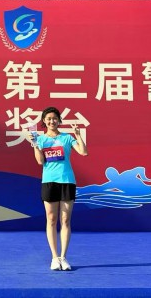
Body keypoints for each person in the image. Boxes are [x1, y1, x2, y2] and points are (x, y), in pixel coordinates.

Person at [27, 106, 87, 271]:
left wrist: (78, 135)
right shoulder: (40, 139)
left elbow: (83, 152)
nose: (52, 121)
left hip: (67, 181)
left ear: (59, 120)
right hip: (49, 182)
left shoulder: (67, 138)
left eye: (54, 118)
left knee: (65, 220)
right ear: (44, 122)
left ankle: (63, 257)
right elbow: (40, 161)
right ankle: (54, 257)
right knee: (51, 219)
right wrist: (35, 144)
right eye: (48, 119)